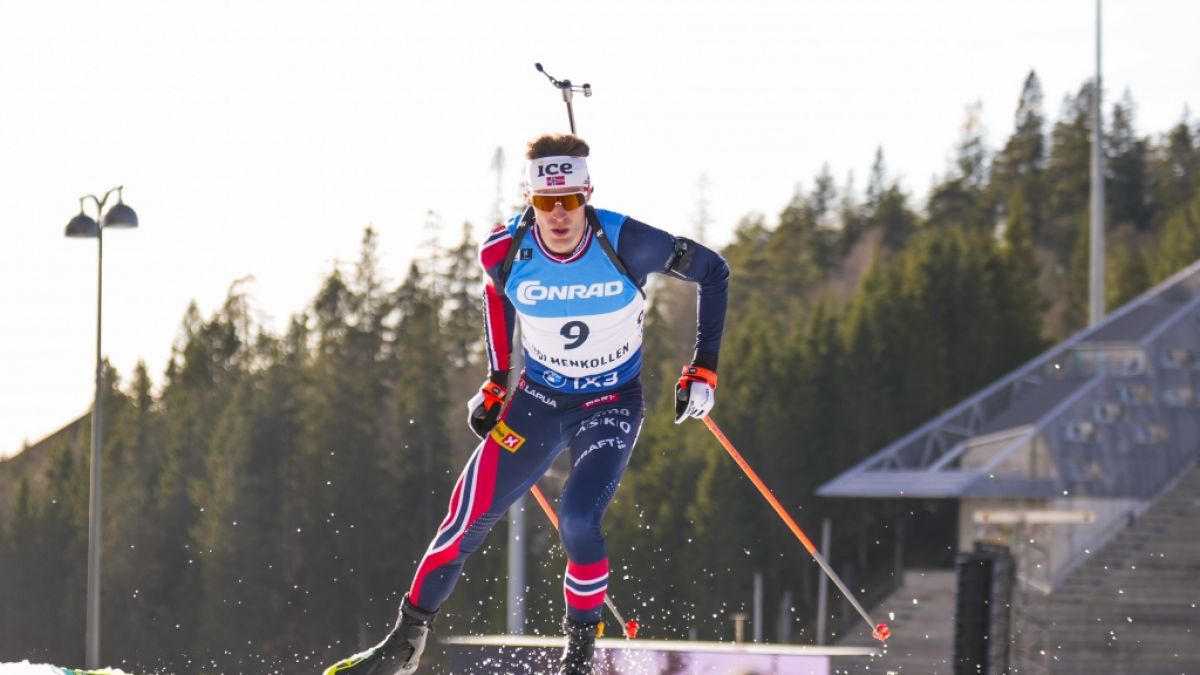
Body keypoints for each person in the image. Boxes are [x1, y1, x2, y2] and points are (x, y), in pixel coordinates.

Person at [323, 133, 729, 675]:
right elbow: (496, 294)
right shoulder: (504, 251)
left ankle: (578, 661)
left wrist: (703, 367)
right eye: (544, 202)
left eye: (570, 201)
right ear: (529, 199)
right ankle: (404, 640)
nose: (559, 215)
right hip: (538, 401)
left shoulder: (628, 241)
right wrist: (496, 380)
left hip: (611, 401)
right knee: (464, 518)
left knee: (579, 518)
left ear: (588, 193)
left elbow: (713, 271)